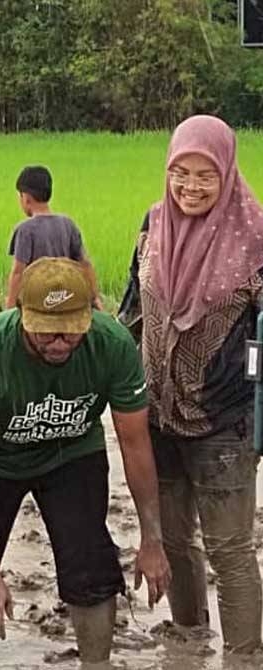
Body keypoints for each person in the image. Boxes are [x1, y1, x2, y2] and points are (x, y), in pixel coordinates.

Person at [0, 257, 171, 664]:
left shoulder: (112, 345)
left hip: (71, 455)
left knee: (91, 568)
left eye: (71, 331)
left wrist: (152, 539)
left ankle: (96, 662)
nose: (59, 341)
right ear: (21, 315)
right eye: (46, 330)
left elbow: (135, 443)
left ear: (89, 316)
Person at [118, 114, 263, 653]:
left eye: (206, 176)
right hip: (157, 418)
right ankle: (189, 640)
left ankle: (246, 655)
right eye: (181, 173)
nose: (192, 187)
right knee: (175, 541)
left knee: (229, 549)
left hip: (225, 422)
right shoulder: (152, 226)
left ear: (227, 175)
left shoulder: (255, 237)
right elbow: (131, 315)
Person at [5, 165, 102, 310]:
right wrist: (95, 298)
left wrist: (10, 307)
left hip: (36, 302)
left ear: (25, 198)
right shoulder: (68, 224)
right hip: (66, 298)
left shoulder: (25, 230)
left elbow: (18, 272)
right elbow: (85, 264)